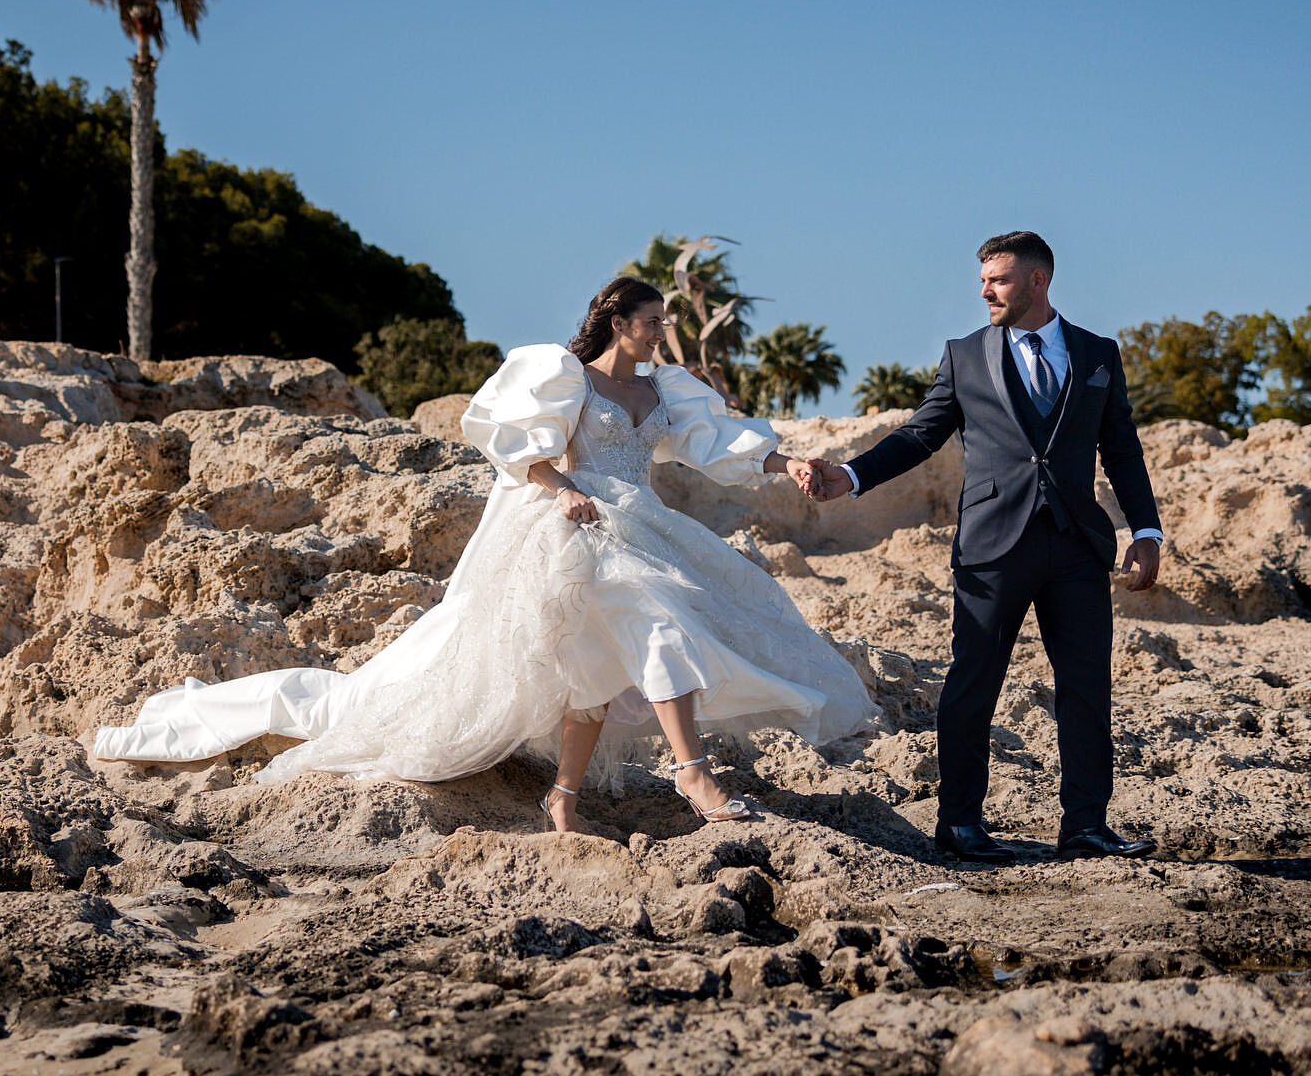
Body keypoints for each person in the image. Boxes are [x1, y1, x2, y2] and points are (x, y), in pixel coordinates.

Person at [93, 275, 880, 832]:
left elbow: (717, 442)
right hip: (575, 525)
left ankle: (563, 798)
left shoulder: (663, 391)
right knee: (658, 626)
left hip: (640, 523)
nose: (660, 331)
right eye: (652, 321)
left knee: (596, 669)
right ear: (619, 323)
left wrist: (787, 463)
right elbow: (517, 450)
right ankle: (691, 773)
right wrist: (562, 488)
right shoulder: (565, 377)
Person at [802, 232, 1162, 864]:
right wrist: (854, 475)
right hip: (993, 546)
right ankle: (961, 823)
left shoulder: (1098, 354)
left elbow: (1122, 447)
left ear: (1038, 281)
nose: (986, 292)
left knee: (1086, 688)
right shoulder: (965, 355)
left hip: (1077, 546)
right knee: (973, 684)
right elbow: (920, 434)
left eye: (998, 280)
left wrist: (1146, 530)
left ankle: (1085, 827)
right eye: (983, 281)